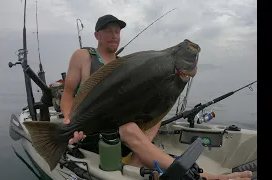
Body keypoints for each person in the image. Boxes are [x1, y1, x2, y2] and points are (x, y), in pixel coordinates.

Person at [61, 14, 253, 180]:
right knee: (129, 129)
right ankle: (203, 176)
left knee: (154, 120)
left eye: (117, 32)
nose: (114, 36)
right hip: (91, 130)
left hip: (119, 128)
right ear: (97, 35)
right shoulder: (84, 56)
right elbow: (68, 93)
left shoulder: (123, 64)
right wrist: (70, 124)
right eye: (109, 31)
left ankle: (140, 156)